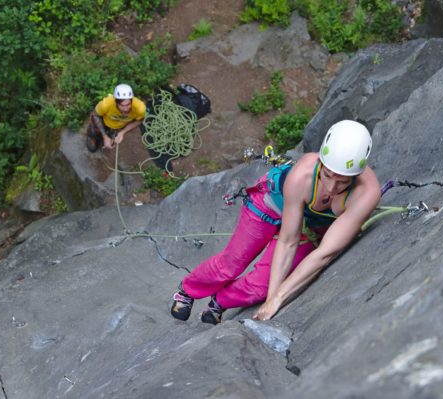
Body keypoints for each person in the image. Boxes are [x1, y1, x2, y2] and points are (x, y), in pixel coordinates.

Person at [170, 120, 381, 324]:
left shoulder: (367, 193)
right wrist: (275, 297)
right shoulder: (304, 173)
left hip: (311, 225)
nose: (332, 188)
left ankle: (220, 302)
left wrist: (274, 298)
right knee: (233, 262)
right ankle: (187, 291)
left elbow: (325, 253)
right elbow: (288, 241)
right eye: (327, 175)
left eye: (342, 181)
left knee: (262, 285)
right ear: (321, 163)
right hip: (269, 202)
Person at [86, 83, 146, 152]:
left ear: (132, 100)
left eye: (128, 104)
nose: (126, 109)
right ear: (116, 102)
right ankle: (92, 137)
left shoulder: (140, 108)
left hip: (119, 126)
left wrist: (123, 132)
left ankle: (110, 134)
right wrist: (105, 136)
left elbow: (139, 120)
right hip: (104, 121)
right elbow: (95, 115)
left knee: (113, 136)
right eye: (122, 105)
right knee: (93, 130)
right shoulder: (106, 104)